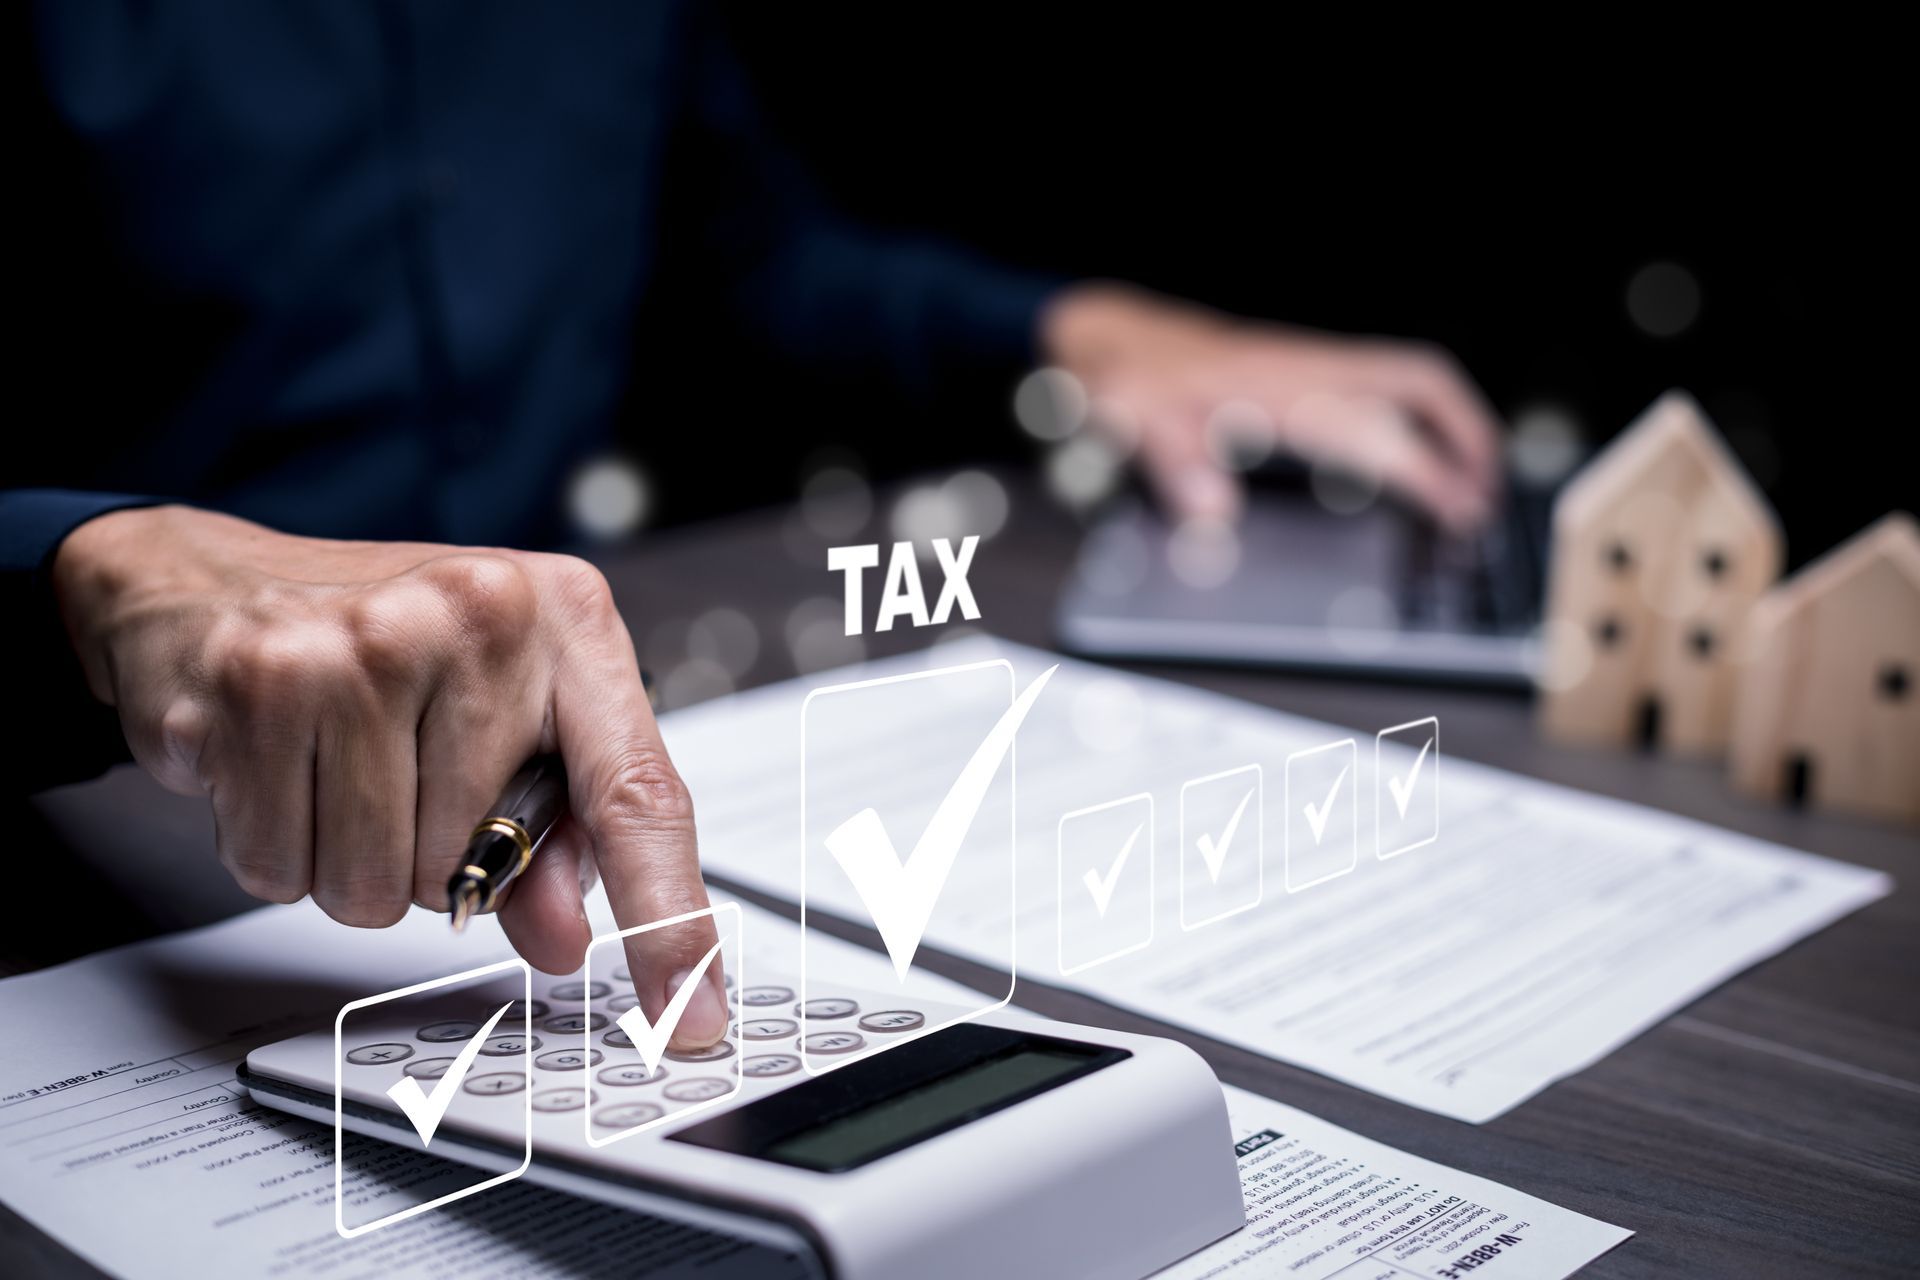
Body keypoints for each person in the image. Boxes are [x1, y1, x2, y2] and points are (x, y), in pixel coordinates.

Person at [8, 3, 1499, 1049]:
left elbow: (750, 257)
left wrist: (1083, 330)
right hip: (89, 836)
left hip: (527, 809)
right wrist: (95, 564)